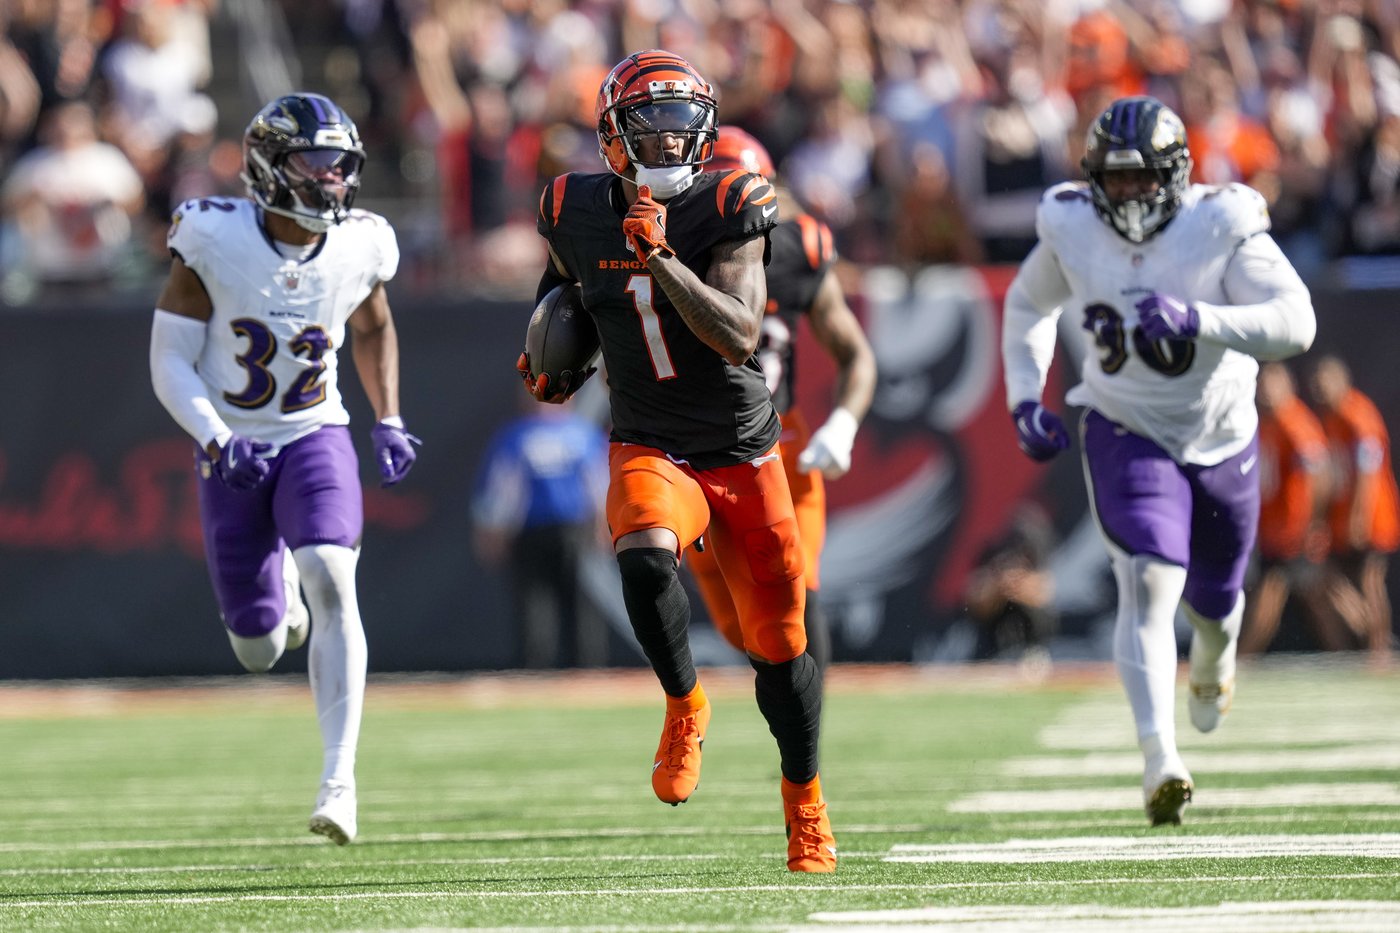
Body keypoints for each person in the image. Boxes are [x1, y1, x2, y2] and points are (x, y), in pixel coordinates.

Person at [520, 50, 836, 872]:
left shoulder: (732, 202)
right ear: (614, 140)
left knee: (782, 647)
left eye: (680, 129)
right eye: (649, 130)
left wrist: (659, 257)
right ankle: (684, 700)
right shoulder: (568, 205)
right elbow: (564, 287)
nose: (667, 145)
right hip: (651, 439)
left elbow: (737, 333)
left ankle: (805, 799)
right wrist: (552, 354)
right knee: (643, 549)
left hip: (742, 449)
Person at [1000, 96, 1316, 826]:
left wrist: (1201, 319)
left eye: (1144, 179)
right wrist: (1024, 396)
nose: (1129, 194)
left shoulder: (1219, 223)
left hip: (1221, 432)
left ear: (1174, 174)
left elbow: (1295, 321)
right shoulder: (1074, 225)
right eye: (1116, 180)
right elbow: (1027, 307)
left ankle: (1215, 653)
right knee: (1146, 580)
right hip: (1124, 423)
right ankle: (1158, 757)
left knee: (1214, 602)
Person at [148, 92, 420, 846]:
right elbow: (168, 358)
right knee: (257, 644)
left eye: (342, 165)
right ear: (270, 167)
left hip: (313, 433)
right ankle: (281, 600)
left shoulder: (362, 243)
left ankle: (341, 780)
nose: (333, 180)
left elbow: (374, 325)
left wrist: (388, 415)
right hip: (233, 443)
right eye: (316, 163)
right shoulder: (213, 237)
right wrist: (212, 436)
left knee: (335, 576)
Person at [686, 126, 878, 670]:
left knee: (798, 595)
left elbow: (856, 355)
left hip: (778, 446)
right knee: (743, 629)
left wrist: (842, 424)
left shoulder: (800, 248)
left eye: (744, 191)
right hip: (698, 451)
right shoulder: (666, 255)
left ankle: (808, 754)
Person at [472, 397, 611, 668]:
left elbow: (600, 486)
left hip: (575, 532)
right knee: (535, 607)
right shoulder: (516, 436)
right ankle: (537, 672)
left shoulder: (581, 434)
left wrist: (603, 528)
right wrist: (492, 532)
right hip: (532, 533)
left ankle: (586, 671)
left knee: (581, 605)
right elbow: (500, 491)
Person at [1240, 362, 1345, 654]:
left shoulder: (1295, 422)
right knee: (1319, 597)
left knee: (1277, 592)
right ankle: (1358, 650)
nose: (1265, 389)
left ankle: (1373, 647)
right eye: (1262, 383)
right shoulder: (1267, 423)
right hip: (1277, 531)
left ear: (1287, 385)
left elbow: (1320, 475)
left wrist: (1314, 523)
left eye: (1272, 383)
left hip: (1294, 531)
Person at [1310, 355, 1400, 659]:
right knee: (1330, 579)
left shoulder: (1358, 415)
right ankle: (1369, 636)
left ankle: (1378, 651)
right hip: (1343, 519)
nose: (1320, 390)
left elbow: (1368, 472)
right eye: (1317, 384)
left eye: (1326, 383)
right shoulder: (1330, 419)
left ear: (1342, 382)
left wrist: (1359, 517)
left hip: (1372, 517)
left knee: (1370, 580)